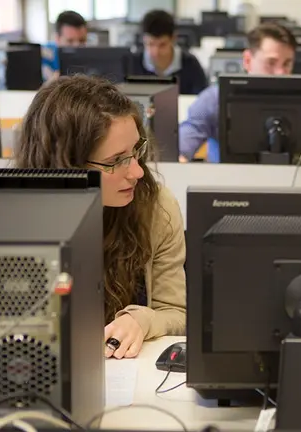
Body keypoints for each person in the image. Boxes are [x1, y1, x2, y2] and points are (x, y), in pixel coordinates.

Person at [14, 75, 186, 359]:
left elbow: (176, 312)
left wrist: (142, 320)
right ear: (67, 165)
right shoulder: (13, 221)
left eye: (136, 151)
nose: (137, 171)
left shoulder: (157, 208)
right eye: (115, 161)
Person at [178, 23, 297, 163]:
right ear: (248, 60)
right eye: (271, 63)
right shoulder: (216, 98)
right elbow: (184, 143)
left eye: (287, 64)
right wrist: (180, 158)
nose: (281, 73)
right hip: (225, 176)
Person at [129, 9, 208, 96]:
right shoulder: (132, 63)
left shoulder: (190, 64)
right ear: (143, 39)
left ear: (173, 39)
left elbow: (203, 99)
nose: (156, 52)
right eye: (150, 44)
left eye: (162, 45)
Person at [42, 11, 88, 81]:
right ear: (57, 39)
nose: (77, 46)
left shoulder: (91, 56)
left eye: (82, 40)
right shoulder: (43, 55)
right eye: (70, 41)